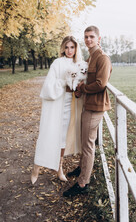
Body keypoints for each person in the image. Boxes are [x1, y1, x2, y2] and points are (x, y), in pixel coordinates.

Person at [63, 26, 112, 197]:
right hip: (88, 104)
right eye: (86, 37)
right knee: (85, 141)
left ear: (99, 38)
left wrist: (82, 88)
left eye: (91, 36)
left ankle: (83, 182)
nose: (88, 39)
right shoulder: (91, 57)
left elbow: (101, 84)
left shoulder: (103, 58)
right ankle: (81, 167)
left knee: (88, 145)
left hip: (95, 106)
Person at [31, 36, 83, 184]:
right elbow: (48, 85)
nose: (69, 50)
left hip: (70, 105)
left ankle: (58, 168)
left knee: (62, 139)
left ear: (76, 48)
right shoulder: (57, 63)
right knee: (48, 134)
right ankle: (37, 166)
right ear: (63, 48)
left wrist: (78, 88)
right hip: (57, 103)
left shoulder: (79, 64)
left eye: (72, 47)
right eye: (66, 47)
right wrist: (64, 84)